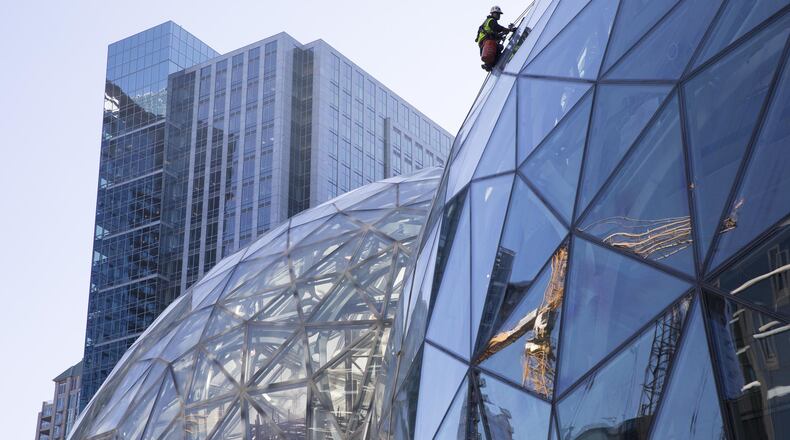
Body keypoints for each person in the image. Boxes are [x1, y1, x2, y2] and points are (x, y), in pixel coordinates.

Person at [476, 6, 516, 71]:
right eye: (497, 13)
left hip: (485, 43)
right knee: (499, 47)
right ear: (492, 13)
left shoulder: (488, 22)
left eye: (499, 14)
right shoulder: (491, 21)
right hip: (487, 41)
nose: (498, 15)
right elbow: (497, 28)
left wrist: (502, 34)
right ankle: (491, 64)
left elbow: (494, 33)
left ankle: (489, 65)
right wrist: (509, 30)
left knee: (495, 51)